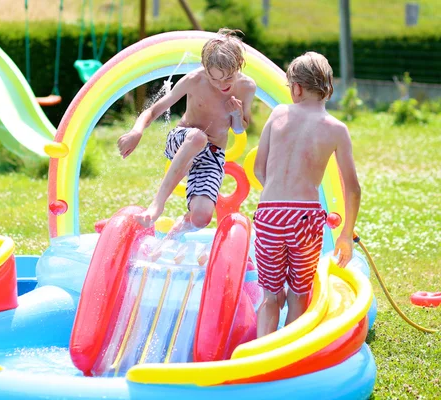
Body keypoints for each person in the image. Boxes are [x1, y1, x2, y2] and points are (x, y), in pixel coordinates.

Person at [253, 51, 361, 337]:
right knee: (298, 295)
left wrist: (277, 195)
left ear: (297, 88)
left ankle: (259, 358)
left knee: (270, 297)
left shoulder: (278, 114)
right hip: (305, 218)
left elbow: (258, 169)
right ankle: (287, 358)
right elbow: (353, 188)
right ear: (326, 88)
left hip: (270, 214)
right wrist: (345, 235)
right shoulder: (337, 129)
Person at [117, 28, 256, 240]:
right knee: (198, 137)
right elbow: (154, 109)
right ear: (205, 68)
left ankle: (175, 234)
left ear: (239, 65)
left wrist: (236, 115)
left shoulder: (246, 87)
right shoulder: (194, 80)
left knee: (202, 217)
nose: (222, 85)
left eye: (228, 78)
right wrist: (137, 131)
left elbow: (239, 128)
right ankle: (157, 205)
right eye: (215, 79)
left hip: (213, 153)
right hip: (183, 139)